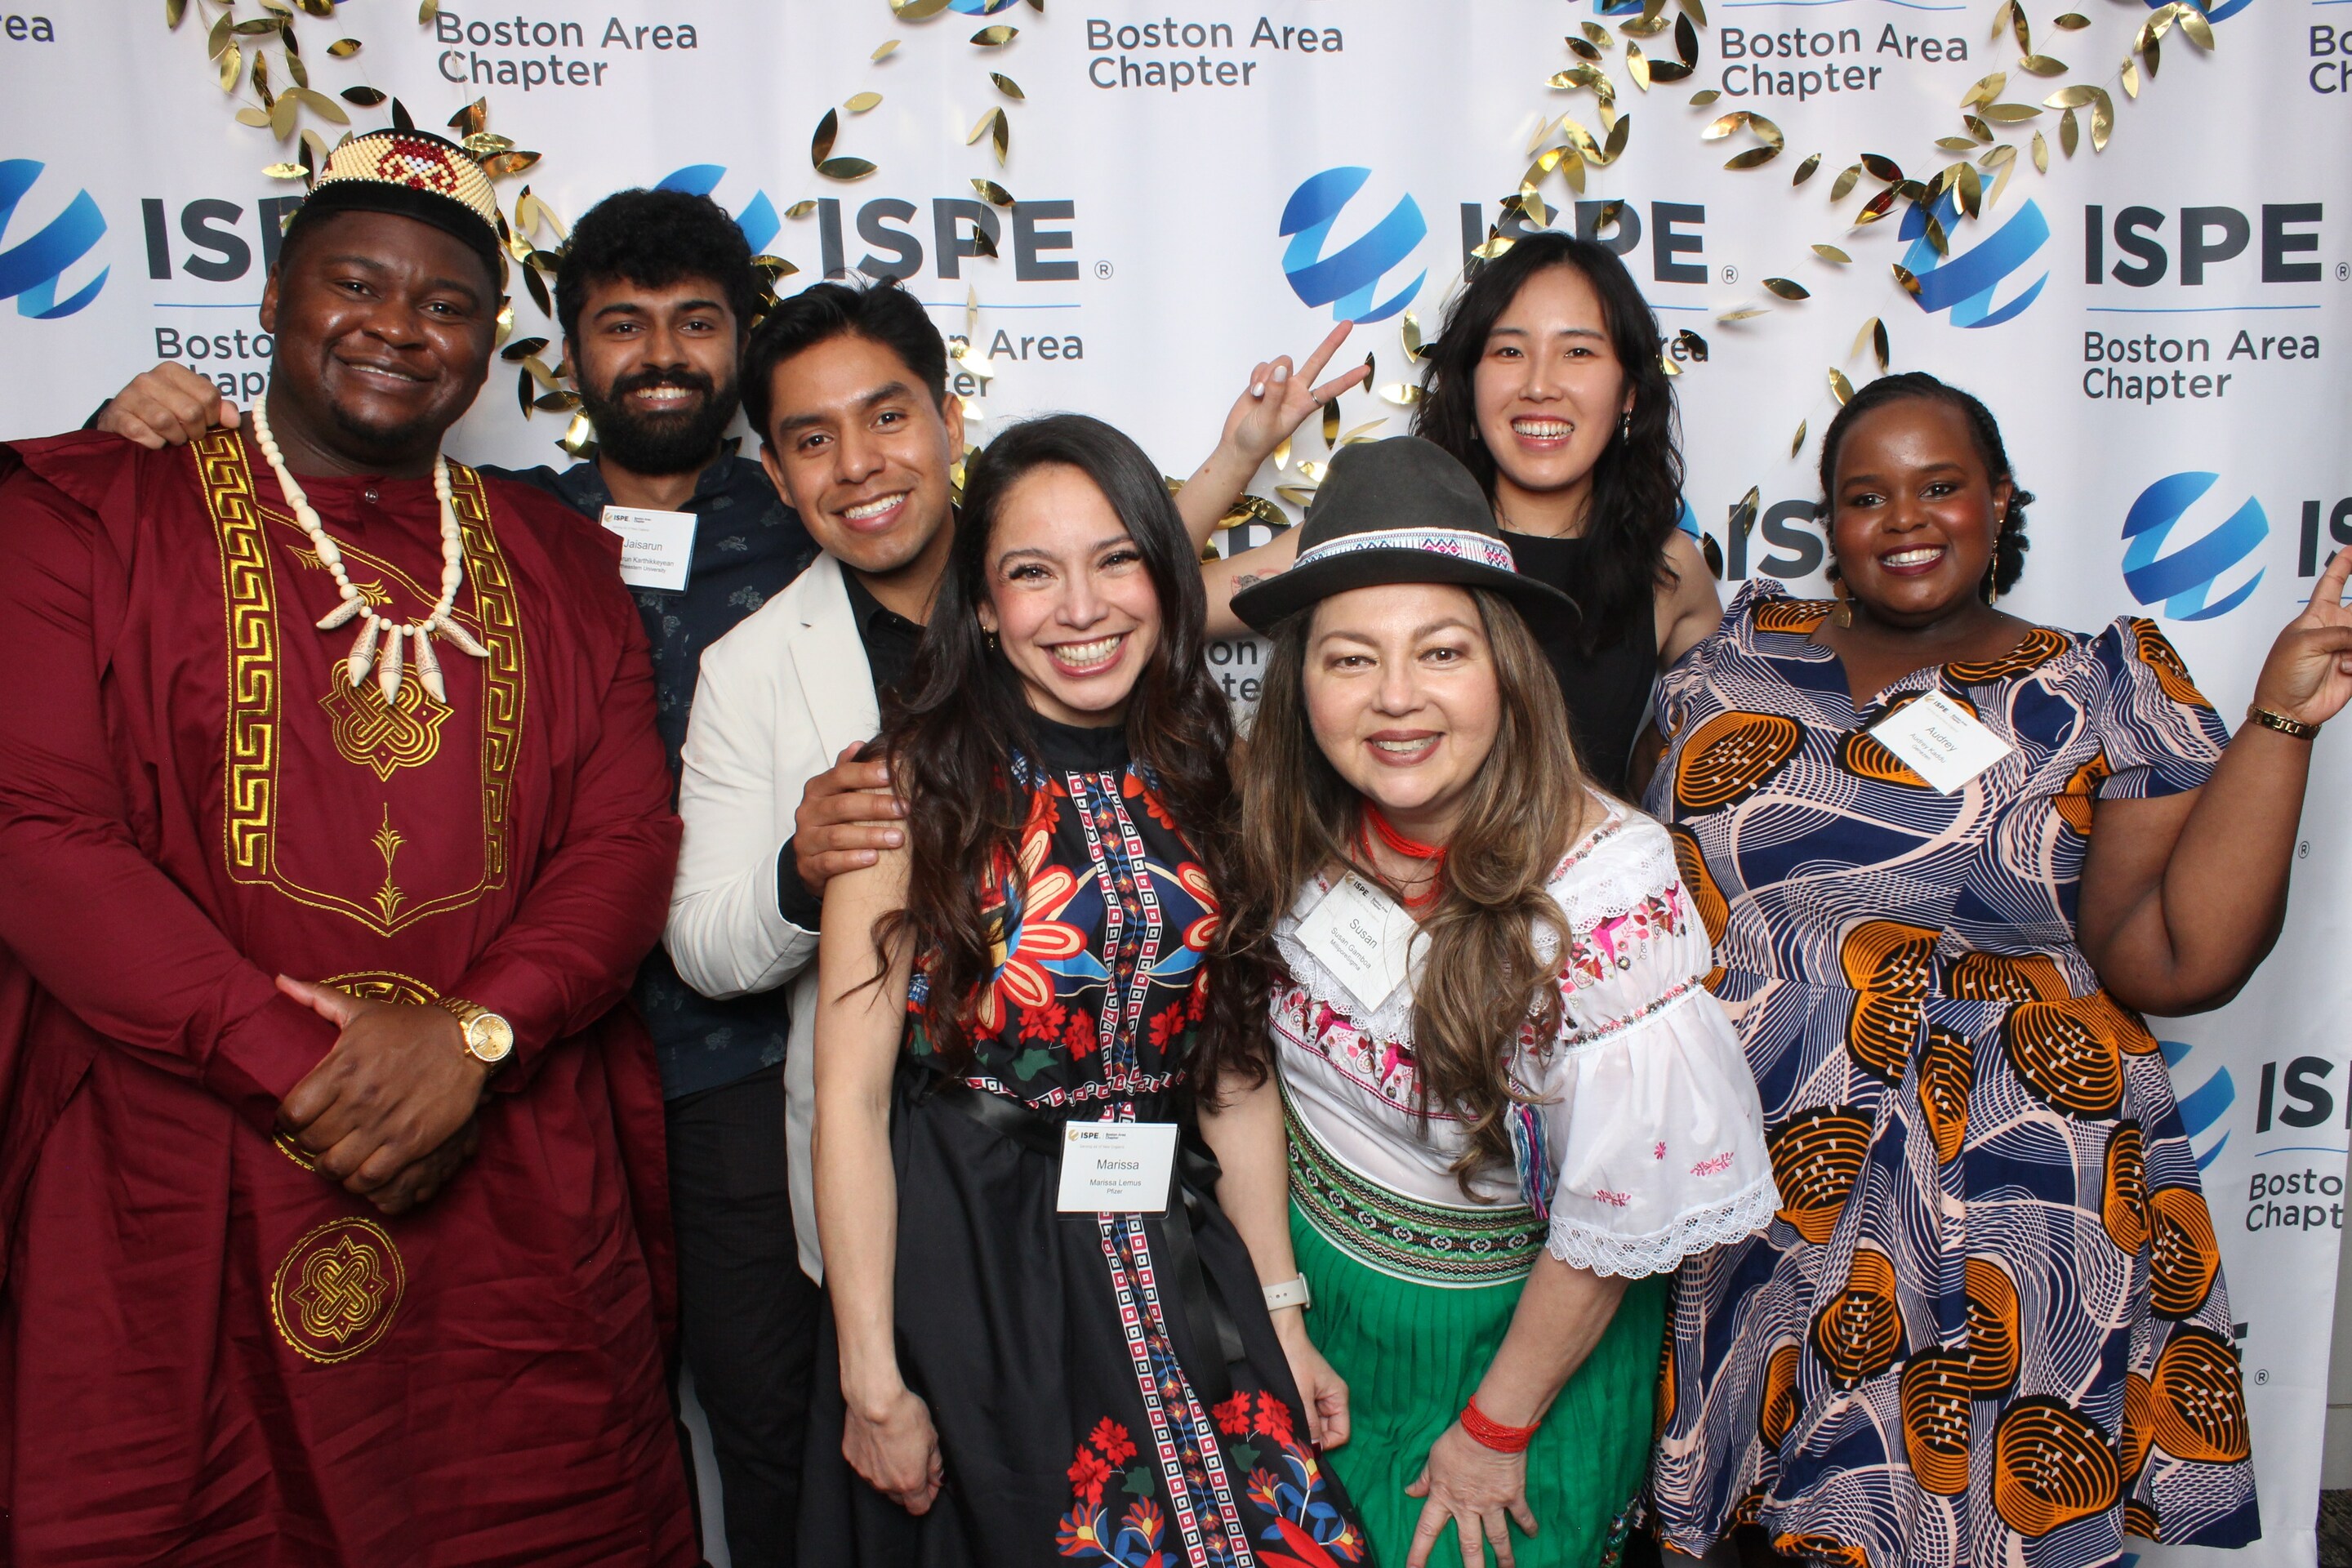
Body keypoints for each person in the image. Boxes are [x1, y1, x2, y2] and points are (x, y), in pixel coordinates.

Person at [94, 185, 824, 1567]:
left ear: (742, 342)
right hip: (528, 1062)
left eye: (696, 323)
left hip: (731, 1052)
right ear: (561, 349)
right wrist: (124, 426)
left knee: (761, 1410)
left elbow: (1019, 590)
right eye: (622, 324)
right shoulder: (516, 519)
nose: (662, 355)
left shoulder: (806, 513)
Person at [1645, 372, 2352, 1566]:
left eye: (1941, 486)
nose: (1905, 520)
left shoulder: (2094, 685)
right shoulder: (1730, 661)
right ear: (1830, 521)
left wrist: (2281, 721)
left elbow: (2176, 960)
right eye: (1866, 495)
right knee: (1750, 1528)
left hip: (2008, 1174)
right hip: (1764, 1157)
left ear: (2000, 499)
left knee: (1977, 1526)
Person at [663, 277, 1364, 1284]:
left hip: (1149, 1181)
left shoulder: (1056, 605)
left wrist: (1240, 459)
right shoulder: (748, 668)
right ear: (774, 472)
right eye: (813, 440)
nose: (857, 464)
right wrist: (800, 871)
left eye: (888, 417)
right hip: (925, 1201)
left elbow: (1135, 585)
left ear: (949, 422)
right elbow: (702, 947)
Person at [799, 412, 1369, 1564]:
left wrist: (1281, 1315)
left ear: (1165, 576)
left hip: (1171, 1236)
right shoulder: (904, 791)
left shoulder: (1210, 770)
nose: (1081, 608)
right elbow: (850, 1103)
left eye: (1116, 560)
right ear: (981, 606)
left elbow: (1233, 1069)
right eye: (1031, 573)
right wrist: (870, 1374)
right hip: (975, 1262)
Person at [1218, 436, 1775, 1568]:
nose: (1396, 699)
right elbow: (1247, 1072)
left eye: (1441, 651)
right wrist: (1278, 1307)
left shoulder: (1606, 886)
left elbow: (1618, 1208)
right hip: (1315, 1305)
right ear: (1300, 682)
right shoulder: (1285, 821)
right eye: (1350, 659)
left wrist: (1493, 1431)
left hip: (1517, 1349)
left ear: (1506, 668)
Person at [1201, 232, 1724, 795]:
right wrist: (1238, 456)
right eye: (1509, 352)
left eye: (1578, 352)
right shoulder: (1389, 525)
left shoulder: (1668, 568)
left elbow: (1709, 750)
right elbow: (1153, 609)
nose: (1539, 385)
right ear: (1469, 383)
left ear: (1630, 392)